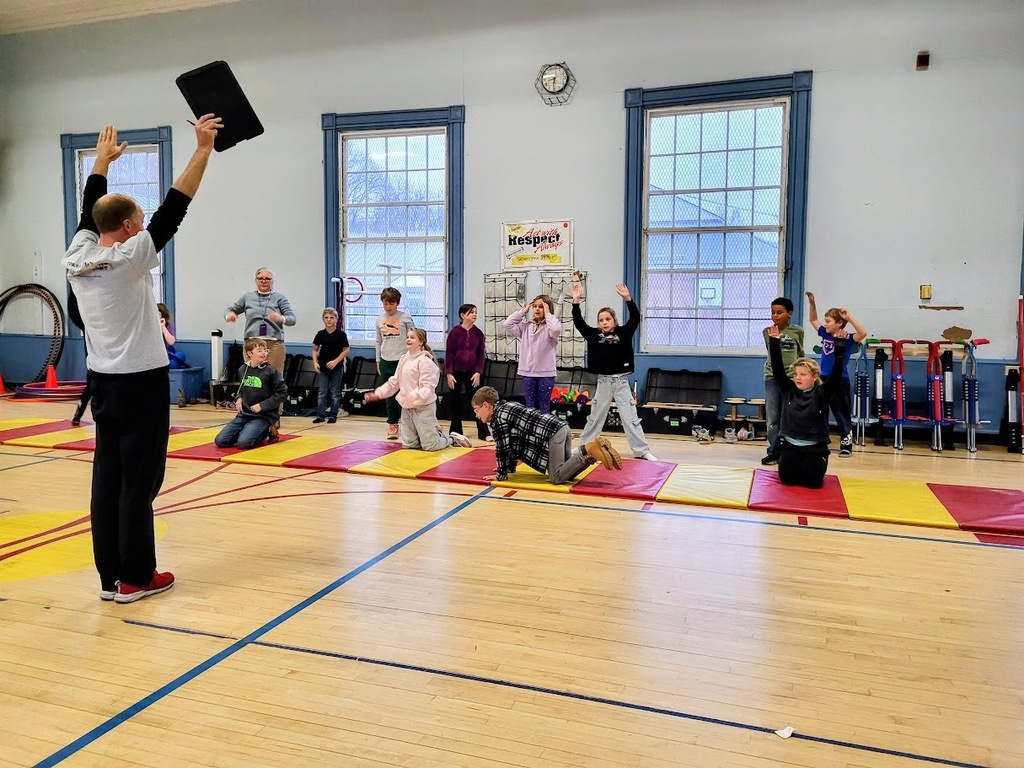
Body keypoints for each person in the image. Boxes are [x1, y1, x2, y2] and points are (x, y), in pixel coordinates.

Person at [62, 115, 222, 603]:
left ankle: (110, 578)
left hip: (102, 384)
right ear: (131, 227)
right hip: (141, 384)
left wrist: (100, 164)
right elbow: (177, 205)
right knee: (140, 484)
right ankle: (137, 577)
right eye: (137, 220)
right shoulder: (132, 256)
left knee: (107, 480)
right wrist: (202, 149)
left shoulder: (76, 254)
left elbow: (92, 214)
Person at [572, 282, 657, 461]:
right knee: (595, 417)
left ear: (614, 320)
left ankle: (642, 450)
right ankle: (583, 448)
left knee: (630, 418)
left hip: (621, 382)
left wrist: (628, 299)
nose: (604, 322)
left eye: (607, 319)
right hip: (603, 382)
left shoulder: (624, 333)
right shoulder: (594, 335)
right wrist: (576, 302)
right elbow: (579, 323)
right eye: (601, 320)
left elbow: (635, 318)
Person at [471, 386, 623, 484]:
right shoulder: (507, 405)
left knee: (556, 478)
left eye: (477, 410)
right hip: (561, 426)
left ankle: (587, 449)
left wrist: (501, 474)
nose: (476, 415)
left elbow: (503, 448)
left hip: (552, 434)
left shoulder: (498, 419)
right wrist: (509, 468)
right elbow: (512, 444)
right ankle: (591, 455)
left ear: (486, 406)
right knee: (566, 473)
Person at [767, 324, 848, 488]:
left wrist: (839, 345)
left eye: (803, 375)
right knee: (787, 480)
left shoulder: (822, 393)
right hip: (790, 446)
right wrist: (774, 342)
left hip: (815, 448)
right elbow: (777, 370)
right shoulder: (788, 390)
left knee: (813, 483)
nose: (797, 378)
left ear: (814, 377)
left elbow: (837, 373)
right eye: (795, 374)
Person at [365, 328, 472, 450]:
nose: (408, 340)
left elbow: (428, 388)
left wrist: (414, 395)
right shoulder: (403, 359)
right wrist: (378, 393)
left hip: (423, 408)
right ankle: (433, 431)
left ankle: (452, 439)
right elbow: (394, 382)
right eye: (408, 337)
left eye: (412, 337)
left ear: (421, 342)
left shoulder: (426, 361)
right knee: (410, 445)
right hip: (406, 408)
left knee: (430, 446)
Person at [806, 292, 869, 457]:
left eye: (828, 321)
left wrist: (850, 317)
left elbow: (863, 333)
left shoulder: (847, 338)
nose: (825, 324)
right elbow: (813, 320)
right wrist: (812, 302)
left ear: (839, 323)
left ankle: (846, 443)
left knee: (841, 411)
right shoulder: (825, 334)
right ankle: (821, 440)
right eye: (825, 321)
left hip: (840, 379)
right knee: (821, 410)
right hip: (823, 378)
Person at [215, 337, 288, 449]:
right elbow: (241, 388)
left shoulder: (271, 371)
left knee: (244, 443)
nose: (263, 353)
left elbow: (282, 393)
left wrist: (262, 406)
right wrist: (239, 397)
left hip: (263, 416)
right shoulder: (243, 369)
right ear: (249, 353)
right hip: (245, 414)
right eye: (259, 351)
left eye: (265, 350)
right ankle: (247, 430)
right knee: (220, 441)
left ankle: (267, 429)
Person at [224, 268, 296, 374]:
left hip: (273, 345)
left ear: (272, 281)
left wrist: (282, 318)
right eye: (260, 278)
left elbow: (292, 319)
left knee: (274, 377)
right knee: (253, 376)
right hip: (252, 344)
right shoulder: (247, 297)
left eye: (267, 278)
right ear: (256, 281)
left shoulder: (280, 298)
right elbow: (230, 310)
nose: (264, 281)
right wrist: (229, 315)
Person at [762, 297, 804, 466]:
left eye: (779, 312)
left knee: (791, 416)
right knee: (773, 418)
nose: (775, 316)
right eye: (773, 312)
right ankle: (774, 451)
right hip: (772, 377)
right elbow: (771, 354)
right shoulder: (767, 331)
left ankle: (790, 450)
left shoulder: (797, 331)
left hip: (792, 379)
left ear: (789, 314)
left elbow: (800, 353)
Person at [503, 294, 561, 412]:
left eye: (541, 306)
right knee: (530, 407)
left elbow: (556, 329)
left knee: (544, 407)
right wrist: (523, 311)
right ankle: (531, 430)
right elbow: (507, 324)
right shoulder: (525, 327)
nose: (537, 309)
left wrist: (548, 314)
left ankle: (544, 430)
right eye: (535, 306)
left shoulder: (550, 328)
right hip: (528, 373)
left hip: (545, 374)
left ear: (547, 308)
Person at [375, 287, 415, 439]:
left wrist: (414, 357)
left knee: (407, 393)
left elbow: (414, 338)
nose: (388, 307)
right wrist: (378, 359)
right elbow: (378, 341)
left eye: (391, 303)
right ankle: (392, 424)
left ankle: (411, 425)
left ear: (397, 303)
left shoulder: (405, 318)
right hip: (386, 360)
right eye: (385, 303)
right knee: (389, 394)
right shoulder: (379, 319)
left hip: (403, 359)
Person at [445, 303, 489, 441]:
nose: (474, 315)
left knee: (477, 401)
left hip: (472, 372)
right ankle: (455, 431)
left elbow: (481, 355)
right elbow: (450, 354)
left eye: (476, 312)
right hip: (456, 371)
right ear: (463, 315)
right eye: (471, 313)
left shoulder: (478, 333)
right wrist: (449, 373)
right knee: (455, 402)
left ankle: (483, 432)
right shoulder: (454, 332)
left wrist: (478, 372)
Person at [312, 307, 350, 424]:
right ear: (323, 319)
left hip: (336, 368)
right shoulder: (320, 334)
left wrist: (336, 361)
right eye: (326, 318)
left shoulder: (341, 335)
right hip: (323, 367)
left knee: (335, 392)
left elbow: (346, 350)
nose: (329, 320)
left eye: (332, 318)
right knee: (322, 392)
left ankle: (333, 415)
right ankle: (320, 415)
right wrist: (315, 362)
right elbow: (315, 349)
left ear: (336, 319)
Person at [157, 303, 187, 368]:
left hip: (167, 354)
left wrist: (163, 327)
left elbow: (171, 342)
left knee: (180, 355)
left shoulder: (168, 327)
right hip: (156, 356)